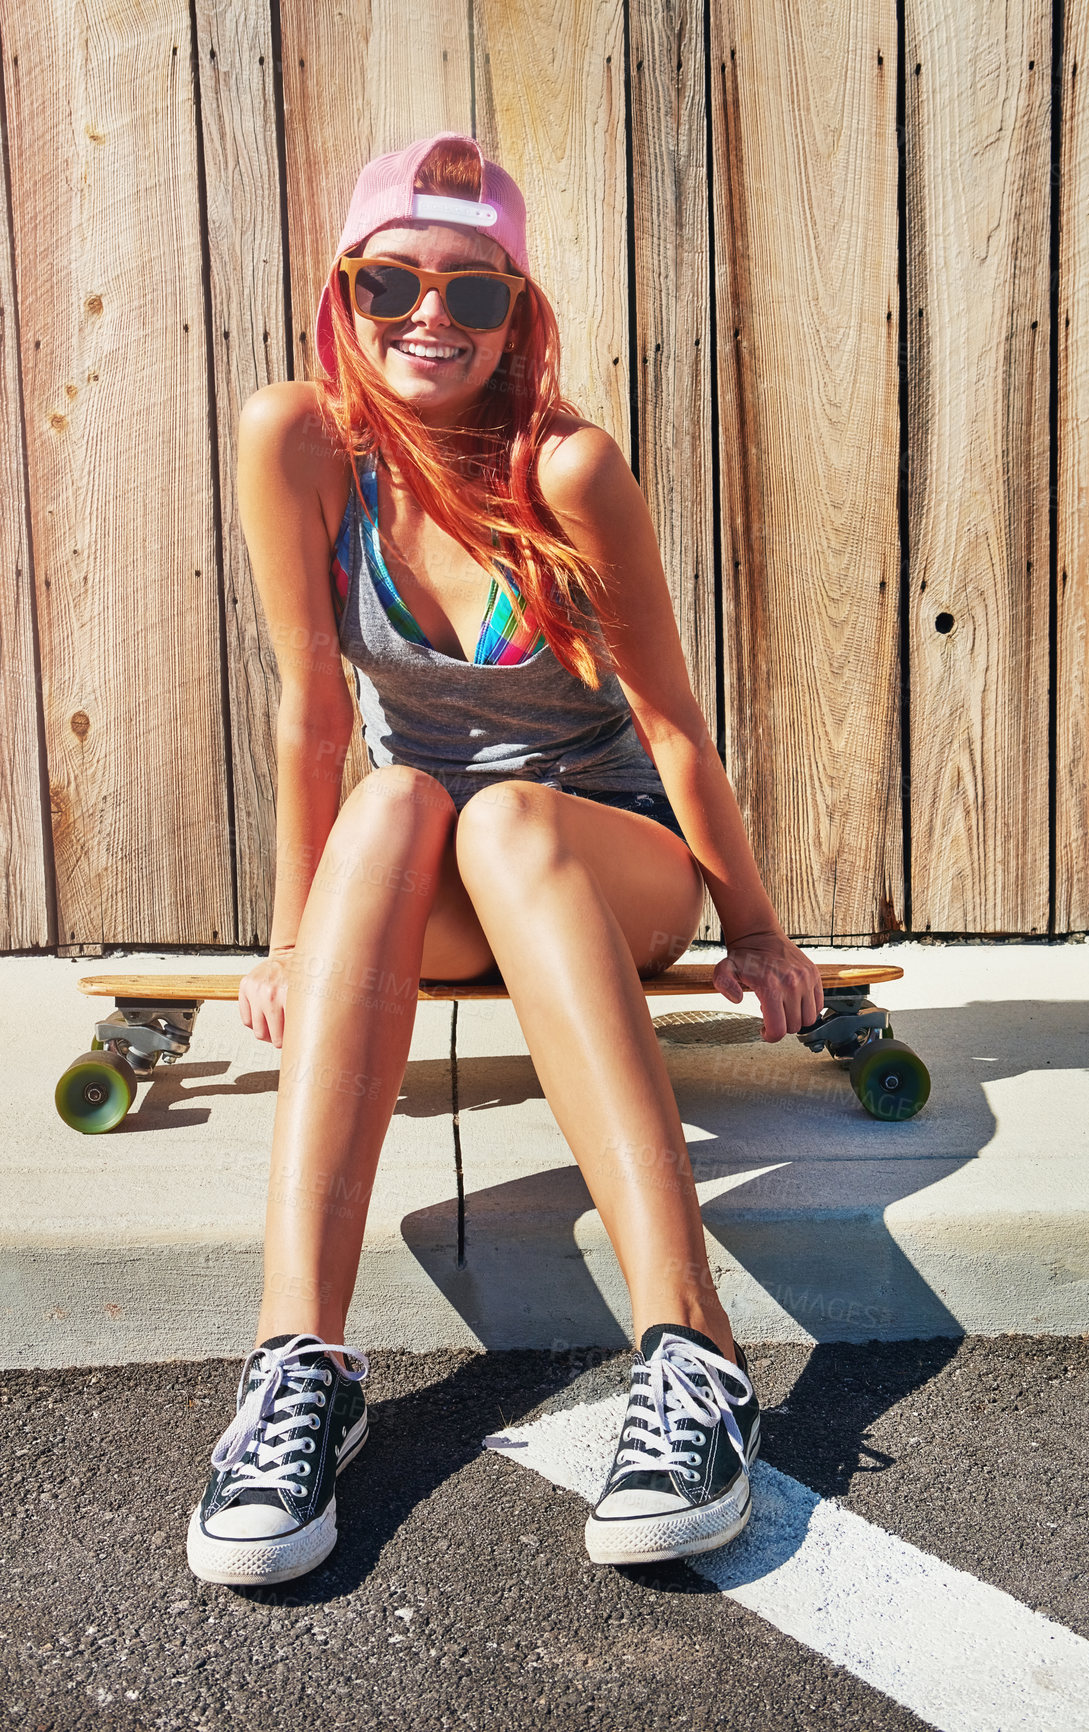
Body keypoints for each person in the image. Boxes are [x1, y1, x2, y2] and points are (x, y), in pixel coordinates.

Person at [186, 132, 824, 1588]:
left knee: (503, 814)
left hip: (599, 858)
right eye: (393, 280)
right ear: (342, 294)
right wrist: (290, 939)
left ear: (518, 317)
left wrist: (758, 927)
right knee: (402, 800)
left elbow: (668, 723)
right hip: (440, 873)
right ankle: (297, 1368)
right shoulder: (297, 442)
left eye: (475, 295)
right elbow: (304, 709)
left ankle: (694, 1355)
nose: (432, 318)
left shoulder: (566, 467)